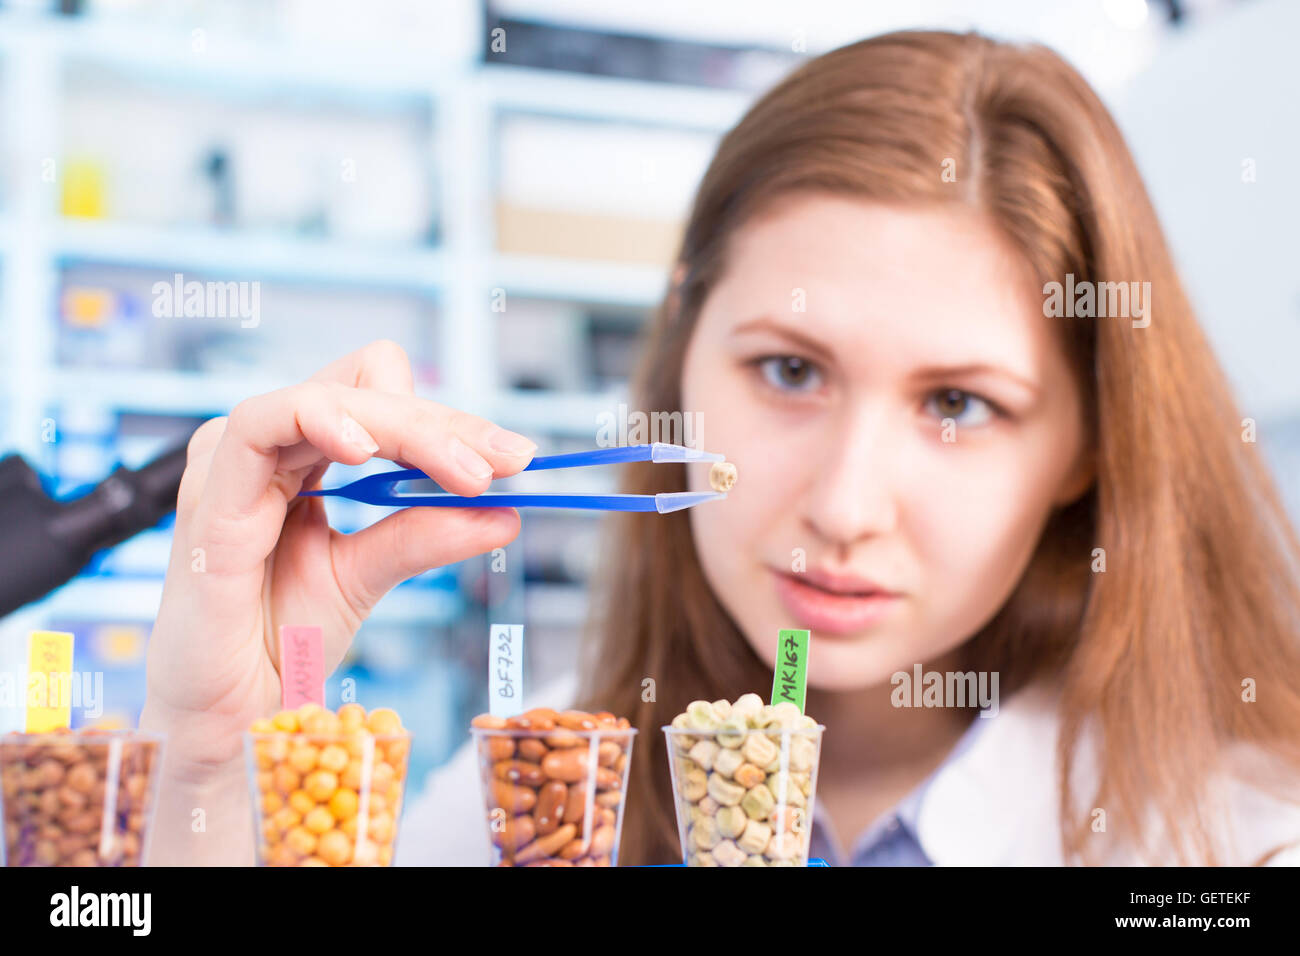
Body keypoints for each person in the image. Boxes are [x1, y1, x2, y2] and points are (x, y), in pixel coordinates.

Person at [141, 30, 1300, 867]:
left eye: (959, 402)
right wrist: (205, 766)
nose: (843, 507)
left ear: (1088, 447)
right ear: (682, 352)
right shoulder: (545, 779)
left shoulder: (1241, 843)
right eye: (789, 370)